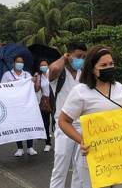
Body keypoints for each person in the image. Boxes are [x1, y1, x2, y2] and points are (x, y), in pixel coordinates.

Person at [59, 45, 122, 188]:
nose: (109, 67)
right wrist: (81, 140)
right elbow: (63, 121)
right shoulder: (80, 92)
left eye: (111, 64)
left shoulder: (119, 88)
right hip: (95, 160)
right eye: (104, 65)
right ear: (92, 68)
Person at [49, 42, 87, 188]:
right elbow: (53, 69)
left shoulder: (83, 74)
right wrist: (64, 58)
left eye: (84, 57)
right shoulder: (59, 72)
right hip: (63, 126)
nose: (81, 60)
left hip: (82, 126)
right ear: (68, 55)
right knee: (60, 168)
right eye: (78, 56)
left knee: (80, 169)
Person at [1, 55, 39, 157]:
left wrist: (34, 81)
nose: (19, 64)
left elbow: (34, 89)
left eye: (21, 62)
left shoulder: (27, 75)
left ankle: (30, 147)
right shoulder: (7, 75)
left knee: (28, 125)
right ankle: (20, 148)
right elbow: (2, 89)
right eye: (18, 62)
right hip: (14, 105)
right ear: (13, 63)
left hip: (26, 105)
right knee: (17, 126)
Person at [35, 59, 52, 152]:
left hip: (54, 101)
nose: (43, 67)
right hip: (45, 101)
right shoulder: (40, 77)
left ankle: (59, 142)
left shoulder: (52, 74)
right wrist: (37, 79)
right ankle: (48, 143)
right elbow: (37, 89)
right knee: (45, 123)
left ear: (48, 65)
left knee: (55, 122)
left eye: (45, 65)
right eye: (41, 65)